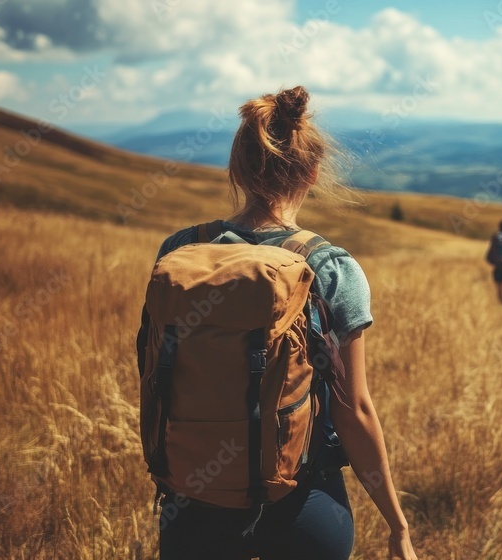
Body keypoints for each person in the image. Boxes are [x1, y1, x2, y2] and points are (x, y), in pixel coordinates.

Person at [142, 86, 417, 560]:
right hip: (299, 506)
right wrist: (399, 526)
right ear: (312, 174)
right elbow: (354, 411)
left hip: (192, 500)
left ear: (236, 169)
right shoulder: (330, 268)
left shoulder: (178, 252)